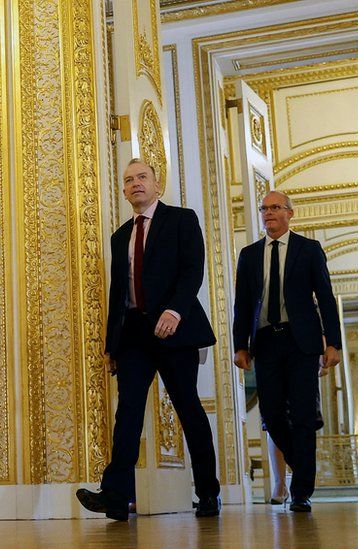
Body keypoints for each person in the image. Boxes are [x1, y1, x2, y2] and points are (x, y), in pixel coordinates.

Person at [76, 159, 220, 521]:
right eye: (128, 180)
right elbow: (117, 292)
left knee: (189, 409)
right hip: (134, 336)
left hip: (176, 329)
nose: (135, 184)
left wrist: (175, 311)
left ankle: (208, 493)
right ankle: (115, 496)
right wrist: (111, 343)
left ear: (157, 185)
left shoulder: (182, 219)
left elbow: (193, 270)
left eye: (142, 177)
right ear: (124, 191)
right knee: (127, 414)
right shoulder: (120, 235)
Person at [232, 191, 341, 513]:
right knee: (273, 415)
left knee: (304, 415)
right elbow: (241, 304)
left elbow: (325, 295)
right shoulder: (250, 255)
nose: (268, 213)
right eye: (264, 208)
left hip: (302, 342)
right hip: (266, 342)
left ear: (290, 214)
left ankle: (301, 491)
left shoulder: (308, 250)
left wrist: (331, 343)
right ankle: (303, 467)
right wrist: (240, 345)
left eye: (275, 208)